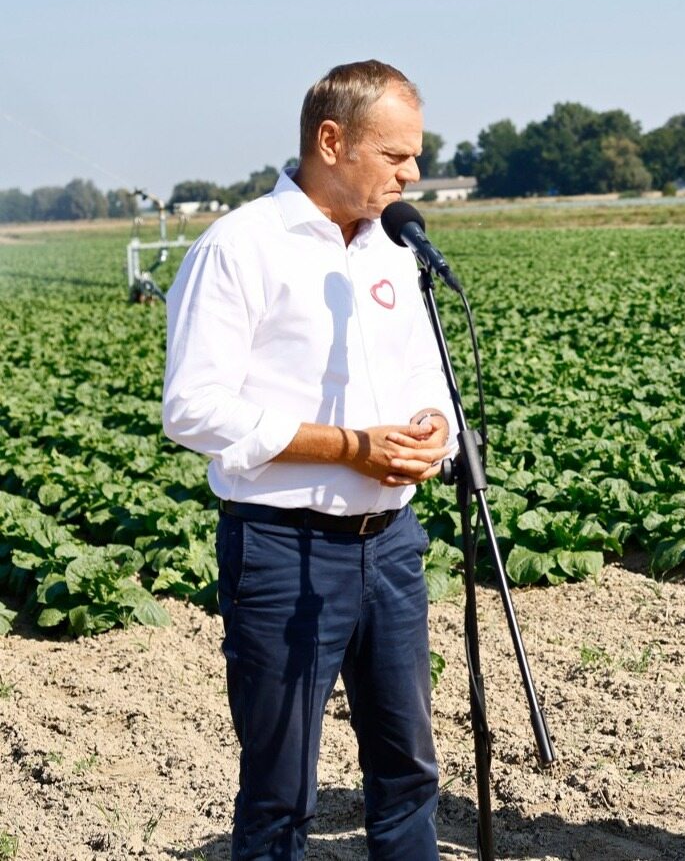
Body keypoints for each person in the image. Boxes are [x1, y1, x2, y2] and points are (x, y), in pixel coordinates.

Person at [163, 60, 455, 860]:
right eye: (396, 155)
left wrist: (434, 431)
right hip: (284, 549)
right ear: (332, 141)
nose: (413, 173)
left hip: (392, 547)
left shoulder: (397, 246)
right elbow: (193, 408)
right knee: (280, 794)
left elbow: (429, 384)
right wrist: (349, 447)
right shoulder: (241, 247)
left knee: (407, 779)